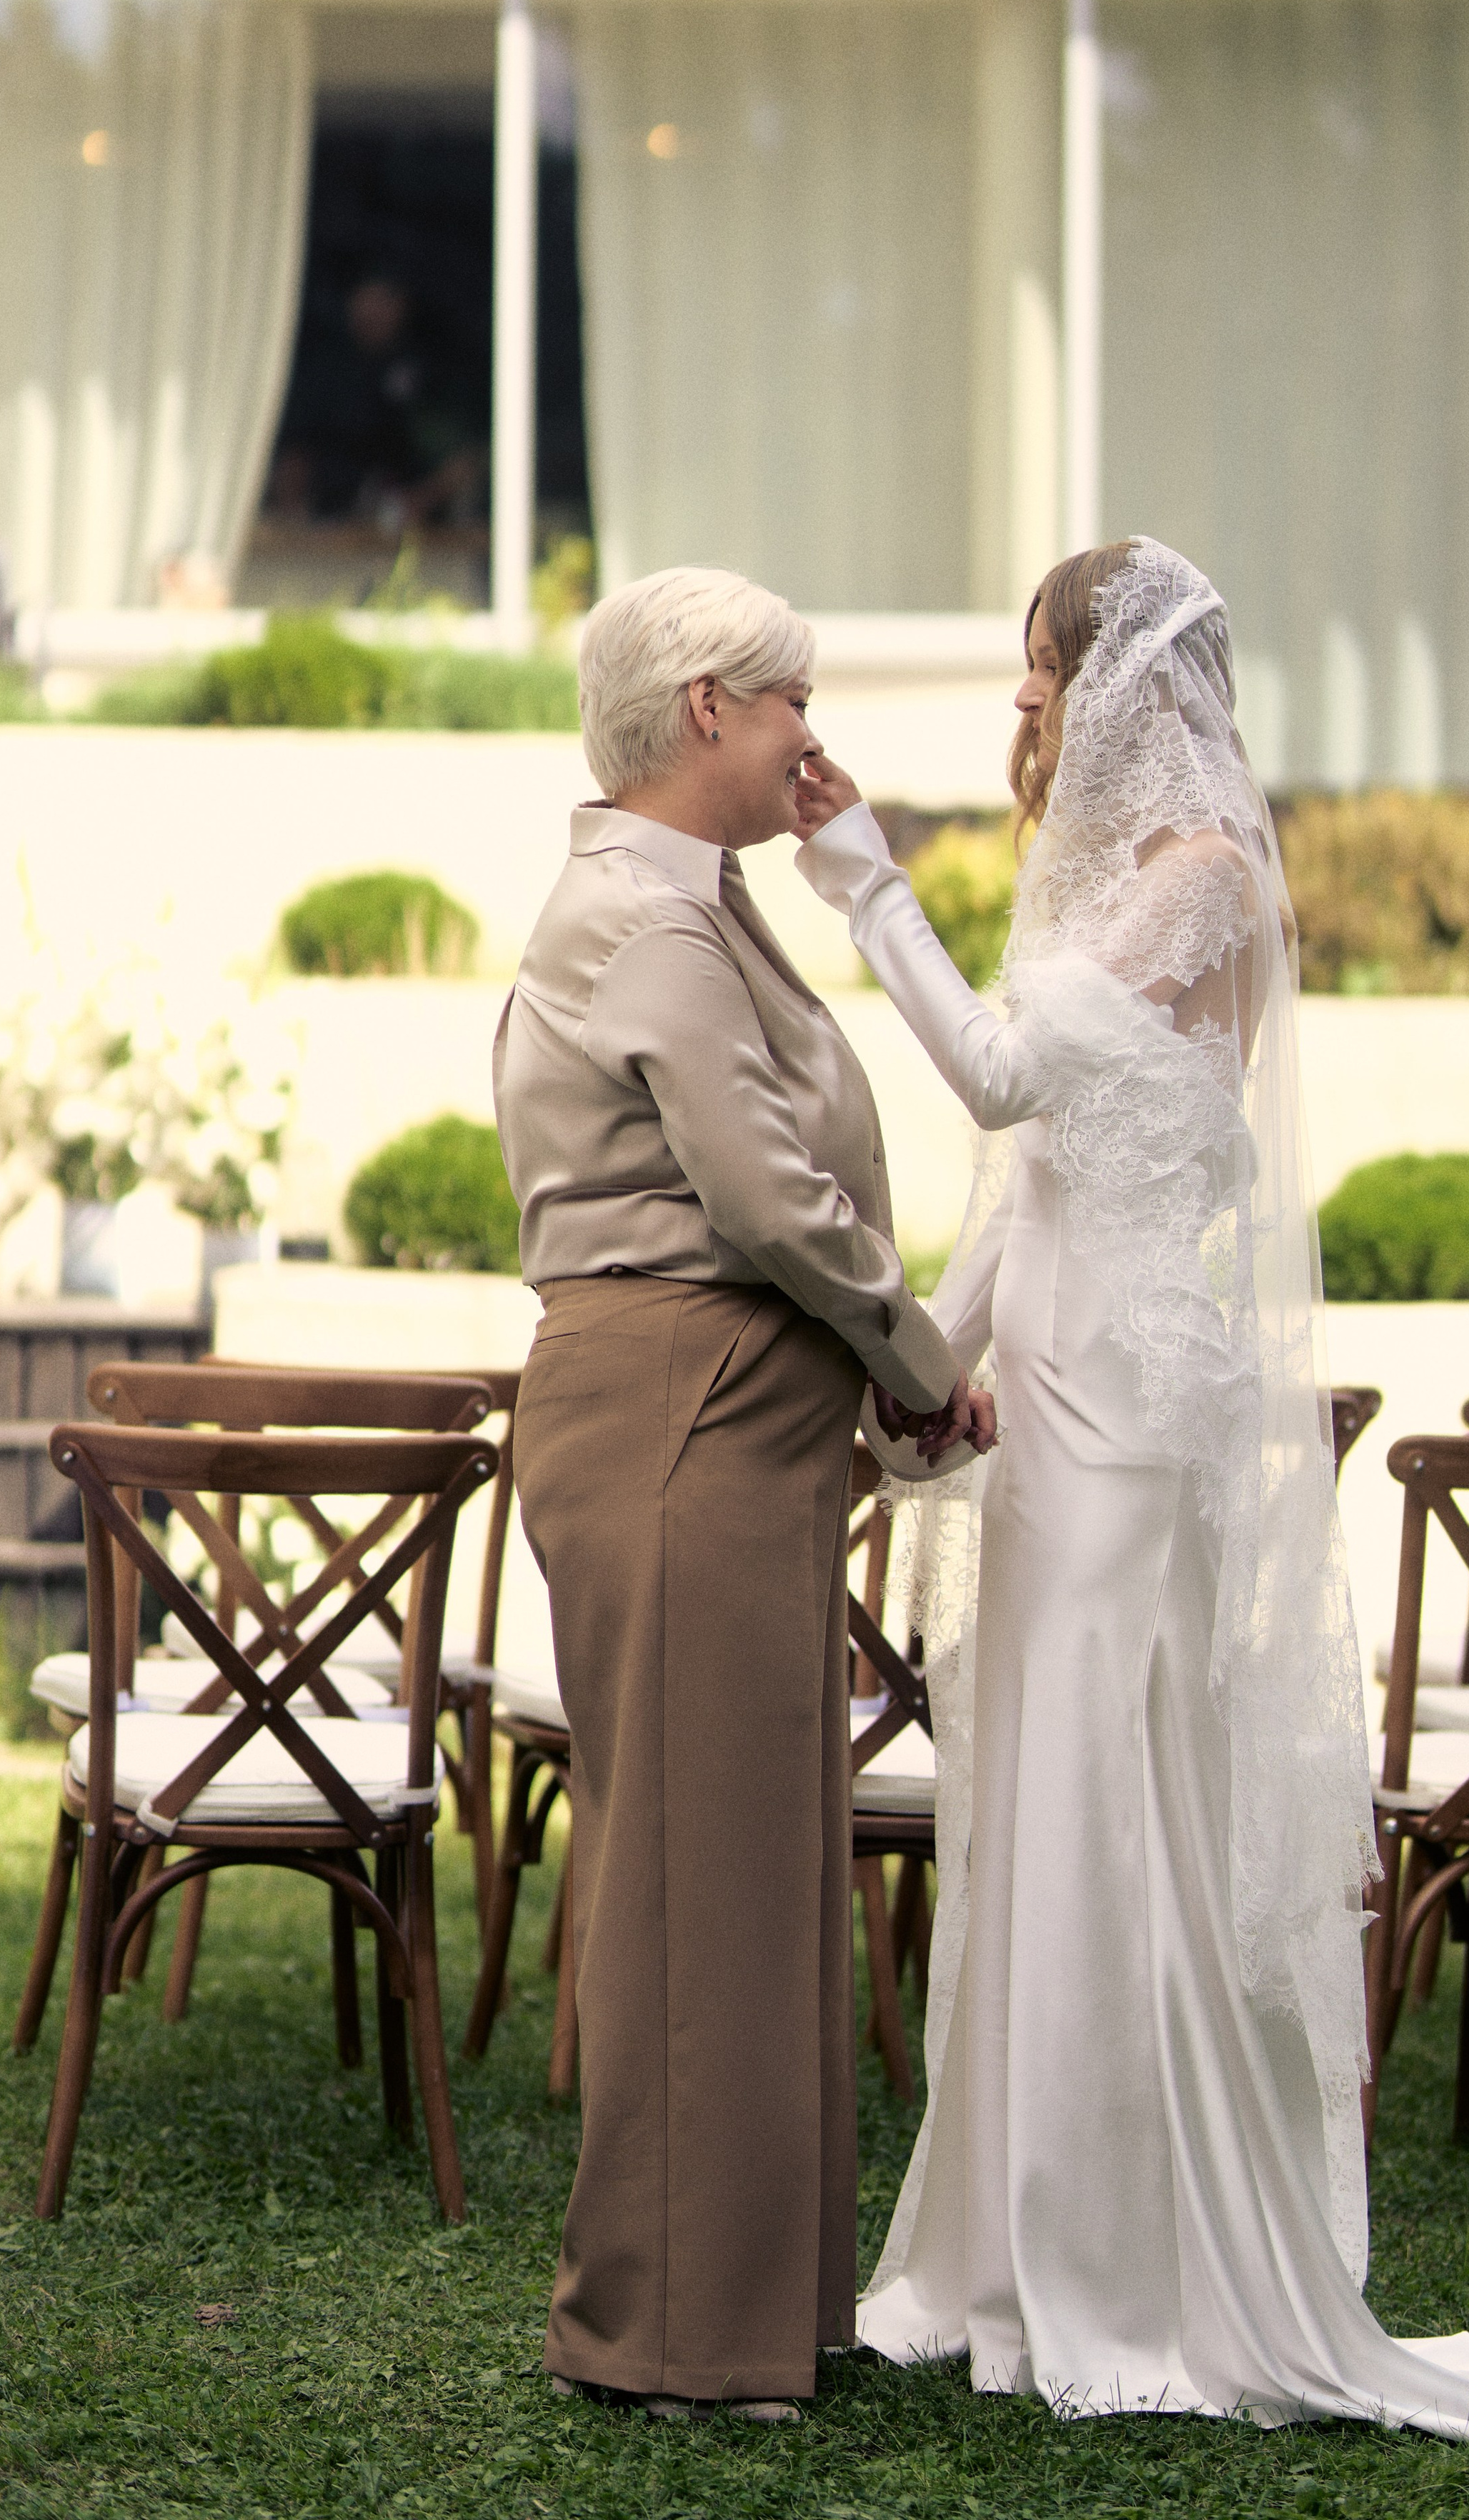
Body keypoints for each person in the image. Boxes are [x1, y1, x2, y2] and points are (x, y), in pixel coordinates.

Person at [791, 539, 1469, 2436]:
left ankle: (1132, 2260)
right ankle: (996, 2247)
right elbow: (1027, 1186)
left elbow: (987, 1077)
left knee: (1110, 1806)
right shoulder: (1104, 883)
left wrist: (865, 873)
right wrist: (925, 1373)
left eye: (1044, 667)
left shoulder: (1204, 886)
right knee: (1031, 1798)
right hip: (1041, 1387)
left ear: (1127, 678)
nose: (1029, 700)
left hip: (1130, 1412)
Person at [492, 566, 992, 2422]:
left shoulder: (697, 903)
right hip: (684, 1409)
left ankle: (765, 2314)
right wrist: (926, 1367)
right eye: (791, 703)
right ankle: (669, 2339)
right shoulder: (650, 914)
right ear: (707, 706)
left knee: (754, 1867)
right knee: (699, 1878)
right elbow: (771, 1194)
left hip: (729, 1421)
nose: (812, 739)